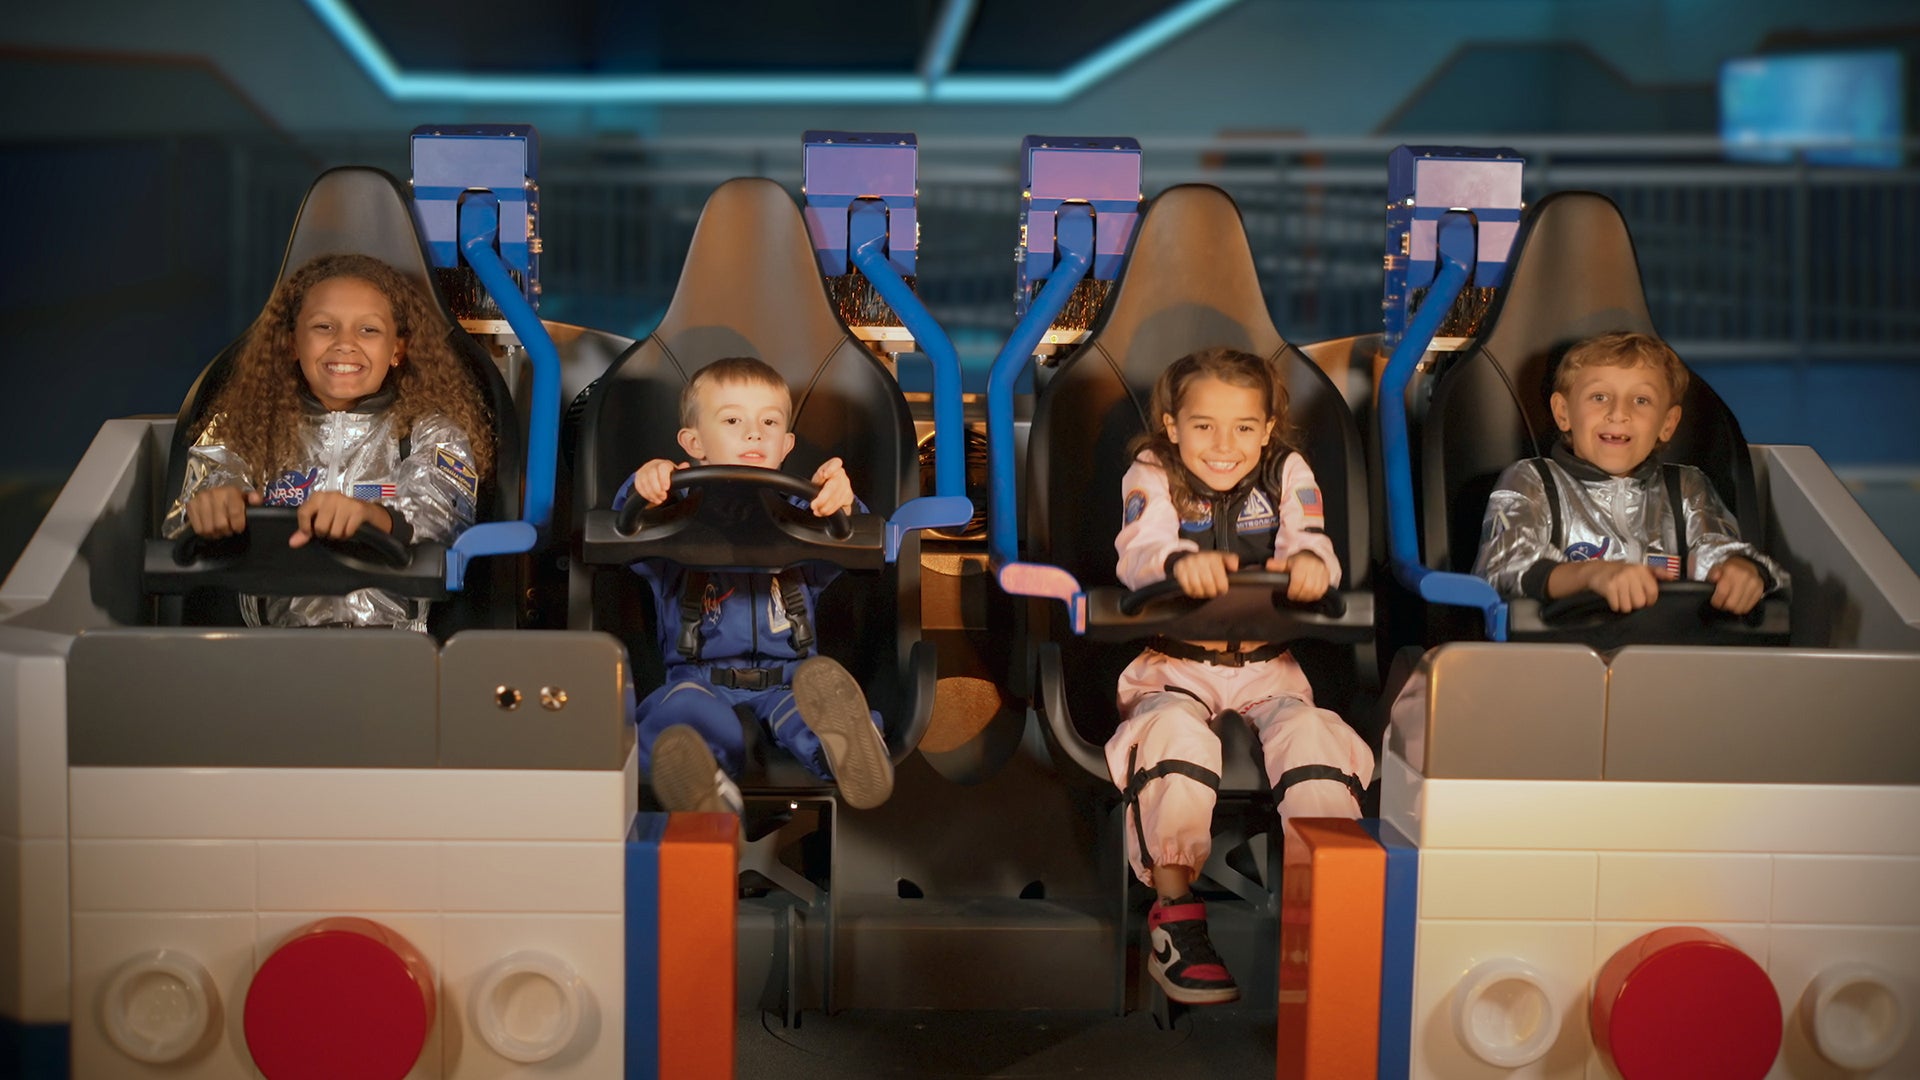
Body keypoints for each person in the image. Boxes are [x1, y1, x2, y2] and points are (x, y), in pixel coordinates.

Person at [1109, 346, 1375, 1006]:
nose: (1225, 445)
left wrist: (1313, 564)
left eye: (1245, 428)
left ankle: (1334, 913)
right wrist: (1176, 563)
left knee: (1315, 736)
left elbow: (1308, 539)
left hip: (1269, 668)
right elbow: (1140, 548)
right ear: (1172, 426)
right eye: (1203, 426)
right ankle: (1175, 917)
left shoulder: (1286, 471)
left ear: (1269, 428)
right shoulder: (1152, 472)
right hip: (1174, 664)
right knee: (1175, 736)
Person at [613, 356, 893, 818]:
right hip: (699, 681)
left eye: (768, 421)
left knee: (816, 708)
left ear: (785, 444)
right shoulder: (672, 514)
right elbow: (629, 530)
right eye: (732, 420)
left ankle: (851, 749)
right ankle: (707, 788)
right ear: (693, 442)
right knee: (681, 716)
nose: (753, 432)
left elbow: (853, 546)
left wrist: (842, 503)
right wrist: (644, 487)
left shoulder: (804, 512)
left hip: (792, 683)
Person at [164, 253, 492, 630]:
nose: (345, 344)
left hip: (397, 657)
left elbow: (443, 514)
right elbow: (191, 505)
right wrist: (215, 505)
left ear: (398, 350)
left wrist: (373, 518)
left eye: (368, 330)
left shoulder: (430, 432)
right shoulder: (242, 427)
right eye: (324, 327)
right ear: (291, 344)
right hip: (267, 654)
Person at [1473, 331, 1785, 615]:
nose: (1619, 413)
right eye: (1599, 397)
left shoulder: (1687, 488)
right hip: (1563, 660)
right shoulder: (1532, 481)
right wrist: (1593, 575)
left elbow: (1716, 548)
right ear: (1563, 413)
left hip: (1671, 656)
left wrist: (1741, 570)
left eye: (1641, 400)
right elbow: (1501, 568)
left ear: (1667, 424)